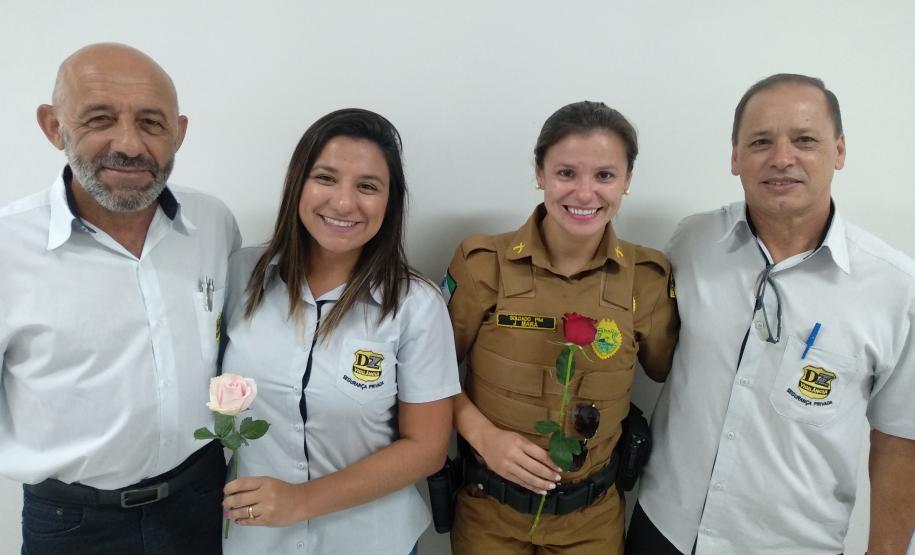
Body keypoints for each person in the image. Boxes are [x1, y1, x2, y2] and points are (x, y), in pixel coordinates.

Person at [628, 74, 915, 555]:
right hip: (663, 527)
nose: (782, 158)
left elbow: (901, 441)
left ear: (839, 150)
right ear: (735, 156)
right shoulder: (692, 243)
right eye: (760, 141)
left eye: (805, 140)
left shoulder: (896, 289)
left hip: (791, 545)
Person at [0, 43, 240, 554]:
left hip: (201, 497)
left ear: (178, 132)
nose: (129, 145)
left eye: (152, 123)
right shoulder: (7, 248)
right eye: (100, 118)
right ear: (53, 126)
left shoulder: (213, 226)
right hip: (71, 522)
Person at [219, 108, 461, 555]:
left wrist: (302, 500)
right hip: (254, 539)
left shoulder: (416, 305)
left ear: (389, 203)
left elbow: (427, 448)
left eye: (367, 186)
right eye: (326, 178)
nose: (344, 203)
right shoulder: (241, 277)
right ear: (298, 184)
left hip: (370, 540)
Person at [445, 101, 679, 554]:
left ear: (628, 180)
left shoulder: (647, 279)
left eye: (605, 176)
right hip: (489, 516)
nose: (585, 193)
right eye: (567, 173)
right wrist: (482, 435)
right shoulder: (481, 264)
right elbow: (425, 377)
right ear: (540, 173)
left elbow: (674, 375)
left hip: (591, 521)